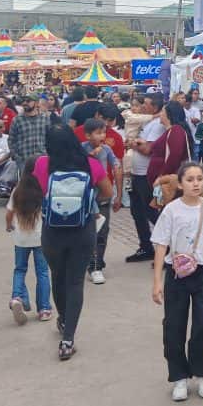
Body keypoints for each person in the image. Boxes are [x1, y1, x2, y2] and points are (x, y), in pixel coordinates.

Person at [151, 161, 203, 402]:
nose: (196, 183)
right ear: (181, 184)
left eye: (199, 178)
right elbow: (161, 245)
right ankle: (179, 377)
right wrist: (157, 282)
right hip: (177, 275)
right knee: (174, 325)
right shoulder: (172, 210)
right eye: (190, 179)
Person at [34, 124, 113, 359]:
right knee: (76, 282)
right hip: (82, 229)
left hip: (53, 230)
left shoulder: (42, 164)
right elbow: (107, 192)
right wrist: (86, 201)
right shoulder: (91, 164)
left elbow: (40, 191)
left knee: (58, 277)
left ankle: (62, 319)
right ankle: (68, 339)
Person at [5, 158, 52, 325]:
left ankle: (17, 297)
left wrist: (9, 226)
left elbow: (9, 212)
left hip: (21, 238)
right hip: (40, 238)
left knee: (20, 270)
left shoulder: (18, 190)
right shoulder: (43, 189)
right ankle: (44, 309)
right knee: (43, 272)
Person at [126, 93, 165, 262]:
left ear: (154, 107)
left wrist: (132, 144)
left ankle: (168, 246)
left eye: (146, 104)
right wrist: (135, 143)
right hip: (136, 172)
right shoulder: (146, 121)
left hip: (146, 174)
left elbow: (148, 149)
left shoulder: (157, 125)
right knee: (136, 211)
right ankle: (145, 246)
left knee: (151, 211)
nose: (142, 107)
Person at [81, 118, 120, 284]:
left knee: (102, 232)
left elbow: (116, 166)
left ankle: (96, 267)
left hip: (103, 197)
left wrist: (119, 193)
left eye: (103, 132)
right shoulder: (81, 149)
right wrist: (88, 157)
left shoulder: (106, 150)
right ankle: (90, 264)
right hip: (86, 198)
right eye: (98, 133)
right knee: (88, 233)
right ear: (88, 135)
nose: (102, 136)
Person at [147, 100, 195, 183]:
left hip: (169, 182)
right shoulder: (171, 131)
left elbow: (174, 156)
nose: (160, 114)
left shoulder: (176, 130)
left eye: (162, 111)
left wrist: (162, 177)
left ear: (168, 114)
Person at [9, 94, 52, 166]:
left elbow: (50, 138)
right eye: (23, 101)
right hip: (24, 159)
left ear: (37, 103)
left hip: (42, 159)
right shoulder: (17, 119)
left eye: (28, 101)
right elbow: (11, 140)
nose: (25, 103)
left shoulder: (45, 118)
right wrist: (16, 156)